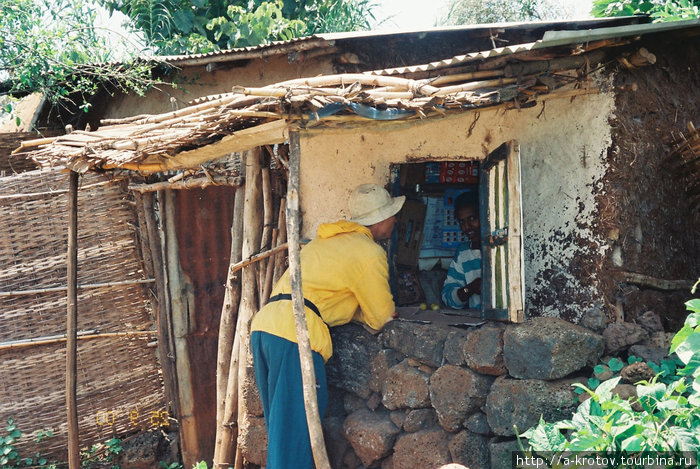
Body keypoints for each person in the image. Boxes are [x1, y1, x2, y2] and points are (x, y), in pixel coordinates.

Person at [250, 183, 404, 469]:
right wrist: (369, 315)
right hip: (295, 335)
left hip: (266, 328)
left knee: (282, 433)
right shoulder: (369, 253)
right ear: (380, 219)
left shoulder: (325, 242)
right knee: (297, 434)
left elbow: (328, 300)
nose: (395, 220)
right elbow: (382, 316)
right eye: (392, 215)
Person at [441, 190, 482, 309]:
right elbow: (447, 297)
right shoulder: (463, 253)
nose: (467, 227)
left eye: (472, 218)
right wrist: (469, 289)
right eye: (462, 221)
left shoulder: (504, 249)